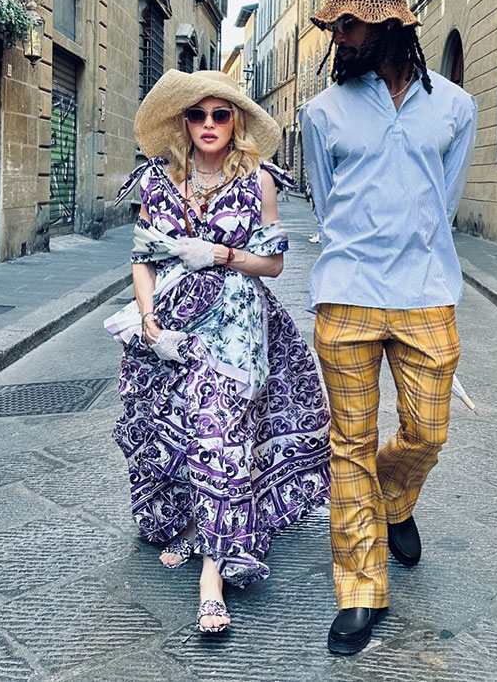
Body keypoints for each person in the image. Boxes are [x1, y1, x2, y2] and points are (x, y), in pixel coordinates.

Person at [105, 70, 330, 635]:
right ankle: (195, 526)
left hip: (236, 331)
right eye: (198, 115)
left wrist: (220, 254)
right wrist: (149, 322)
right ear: (184, 122)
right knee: (179, 431)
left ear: (236, 123)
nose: (209, 124)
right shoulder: (158, 181)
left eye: (220, 114)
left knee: (221, 438)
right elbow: (142, 260)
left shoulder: (259, 182)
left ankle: (213, 576)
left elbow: (273, 264)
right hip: (172, 327)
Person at [299, 0, 478, 654]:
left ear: (389, 26)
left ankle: (394, 499)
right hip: (346, 292)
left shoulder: (455, 107)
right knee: (349, 443)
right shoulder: (322, 112)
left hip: (426, 291)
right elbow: (326, 202)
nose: (338, 37)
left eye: (348, 24)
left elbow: (444, 199)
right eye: (335, 26)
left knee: (428, 432)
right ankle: (360, 589)